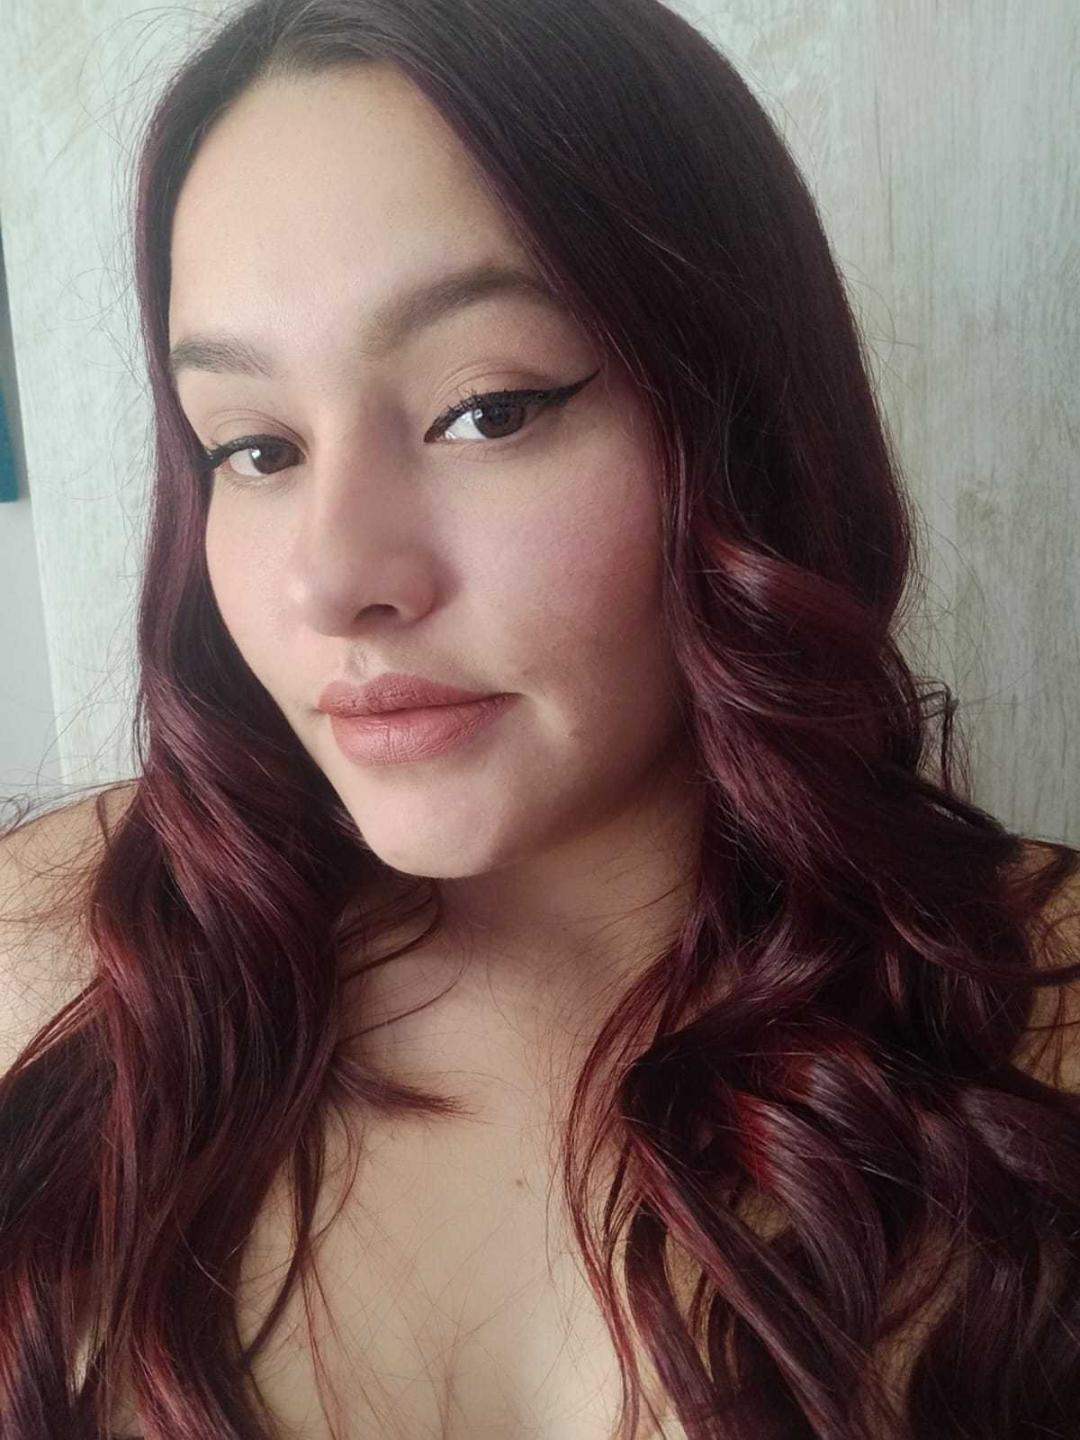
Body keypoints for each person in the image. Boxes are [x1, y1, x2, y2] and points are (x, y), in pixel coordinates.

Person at [2, 1, 1078, 1437]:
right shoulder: (48, 961)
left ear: (742, 422)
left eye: (489, 410)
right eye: (254, 447)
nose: (332, 578)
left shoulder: (1041, 1028)